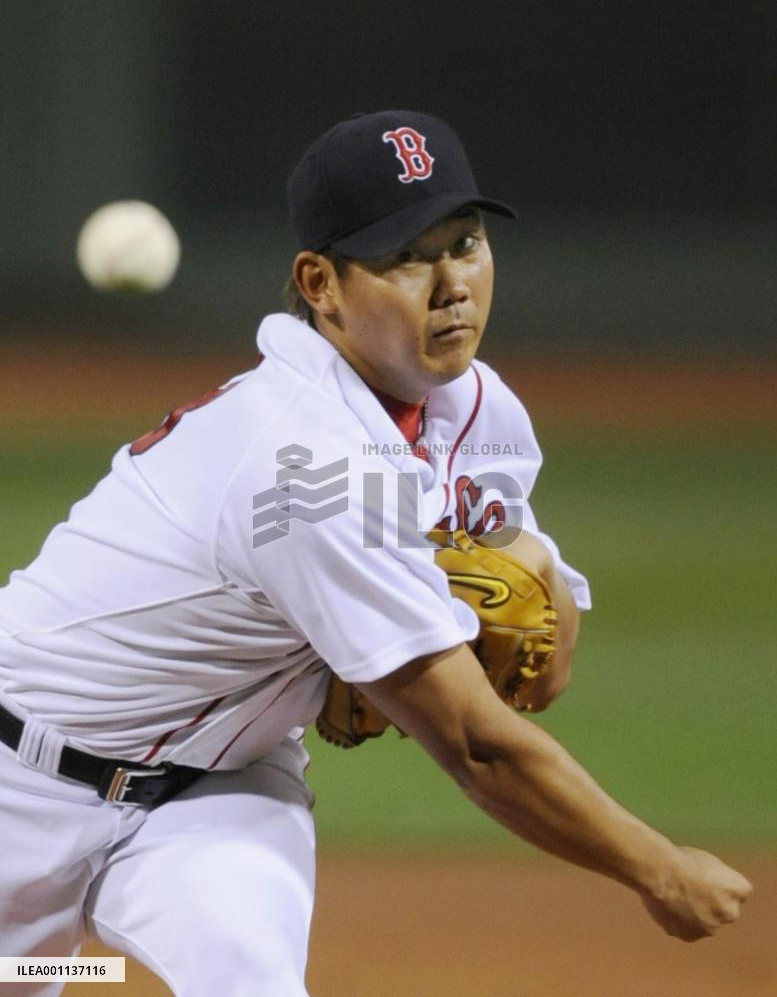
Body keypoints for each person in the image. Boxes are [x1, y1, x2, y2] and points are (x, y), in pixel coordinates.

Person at [0, 110, 750, 996]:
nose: (452, 285)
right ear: (320, 283)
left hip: (219, 793)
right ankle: (62, 965)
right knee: (30, 971)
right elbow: (476, 745)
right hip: (24, 784)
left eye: (465, 243)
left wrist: (521, 572)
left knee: (251, 983)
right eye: (405, 257)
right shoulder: (307, 464)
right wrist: (658, 870)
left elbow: (542, 667)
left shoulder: (476, 409)